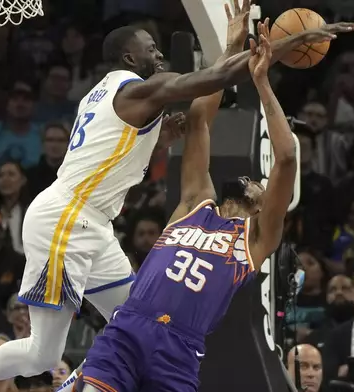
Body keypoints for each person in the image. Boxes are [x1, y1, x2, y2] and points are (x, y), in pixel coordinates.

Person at [0, 3, 354, 392]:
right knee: (44, 353)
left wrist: (166, 130)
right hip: (67, 219)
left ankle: (90, 378)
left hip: (92, 224)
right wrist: (273, 47)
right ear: (128, 57)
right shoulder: (134, 88)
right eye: (151, 48)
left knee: (132, 317)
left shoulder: (111, 98)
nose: (159, 54)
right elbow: (208, 85)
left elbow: (166, 129)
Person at [77, 20, 298, 392]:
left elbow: (287, 157)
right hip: (128, 328)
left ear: (264, 206)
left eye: (260, 183)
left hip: (178, 349)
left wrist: (261, 82)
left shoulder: (256, 238)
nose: (253, 180)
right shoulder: (196, 203)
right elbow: (199, 119)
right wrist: (227, 52)